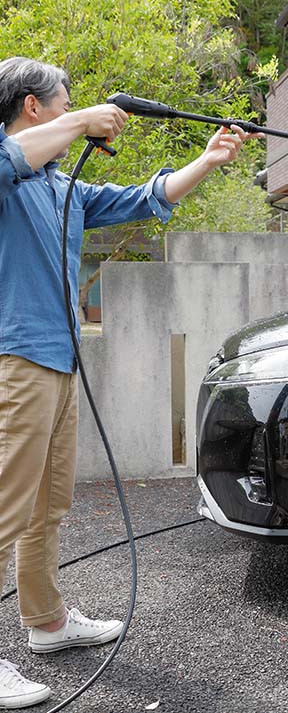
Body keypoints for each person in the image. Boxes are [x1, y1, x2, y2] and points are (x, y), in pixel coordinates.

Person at [0, 57, 261, 709]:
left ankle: (47, 621)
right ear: (32, 106)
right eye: (64, 103)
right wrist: (87, 119)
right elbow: (10, 154)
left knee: (47, 505)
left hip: (60, 364)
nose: (72, 111)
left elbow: (146, 197)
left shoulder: (62, 188)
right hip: (15, 359)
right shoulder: (9, 169)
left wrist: (207, 161)